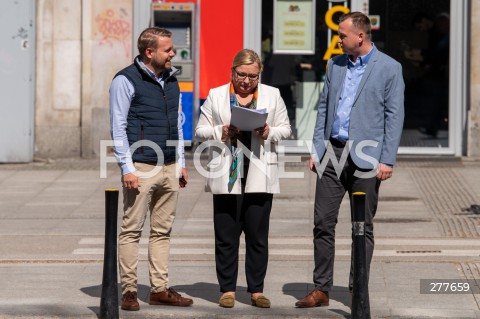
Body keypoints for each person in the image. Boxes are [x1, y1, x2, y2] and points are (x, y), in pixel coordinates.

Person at [295, 12, 404, 308]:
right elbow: (324, 110)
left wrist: (387, 160)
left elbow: (395, 118)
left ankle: (359, 289)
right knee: (322, 222)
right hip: (332, 153)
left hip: (367, 156)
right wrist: (317, 149)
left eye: (342, 35)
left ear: (360, 36)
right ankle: (321, 288)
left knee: (362, 226)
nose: (338, 40)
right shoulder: (335, 64)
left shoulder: (390, 68)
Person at [195, 49, 291, 308]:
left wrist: (269, 130)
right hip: (227, 174)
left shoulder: (272, 94)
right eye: (242, 75)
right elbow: (200, 130)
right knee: (226, 235)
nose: (247, 81)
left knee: (258, 236)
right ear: (232, 72)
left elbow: (286, 129)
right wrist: (221, 130)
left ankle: (256, 290)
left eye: (253, 76)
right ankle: (227, 289)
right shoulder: (217, 95)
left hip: (259, 173)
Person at [109, 27, 193, 311]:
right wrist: (127, 168)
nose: (173, 54)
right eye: (168, 49)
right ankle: (129, 291)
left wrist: (181, 163)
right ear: (149, 52)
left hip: (169, 165)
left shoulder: (172, 79)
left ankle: (159, 289)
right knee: (131, 230)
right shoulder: (125, 80)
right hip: (141, 165)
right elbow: (118, 127)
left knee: (162, 231)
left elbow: (178, 124)